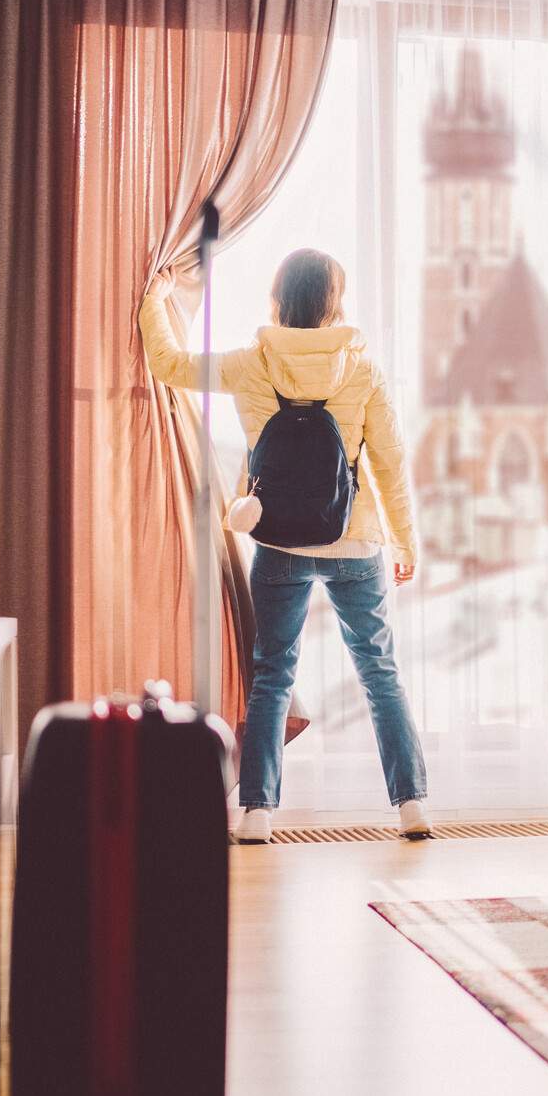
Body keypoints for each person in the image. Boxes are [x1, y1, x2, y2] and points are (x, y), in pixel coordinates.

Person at [140, 249, 429, 843]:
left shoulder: (251, 364)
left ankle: (256, 813)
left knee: (272, 674)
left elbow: (169, 365)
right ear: (335, 305)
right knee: (379, 672)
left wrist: (155, 298)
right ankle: (412, 808)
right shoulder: (362, 370)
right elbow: (389, 466)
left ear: (278, 301)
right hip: (354, 542)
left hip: (278, 539)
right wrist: (404, 540)